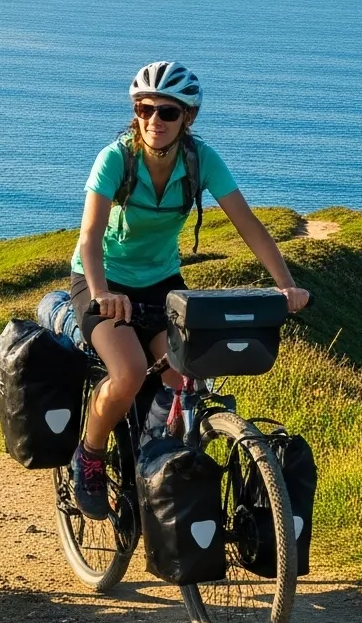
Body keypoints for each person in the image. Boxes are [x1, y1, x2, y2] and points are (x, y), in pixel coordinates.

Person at [63, 60, 311, 519]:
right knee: (130, 371)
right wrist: (100, 294)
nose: (154, 120)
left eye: (167, 112)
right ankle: (90, 455)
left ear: (188, 118)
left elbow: (249, 226)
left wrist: (287, 286)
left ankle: (151, 456)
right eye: (144, 109)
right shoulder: (115, 158)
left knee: (183, 378)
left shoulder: (203, 161)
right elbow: (90, 236)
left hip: (162, 281)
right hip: (102, 278)